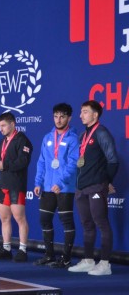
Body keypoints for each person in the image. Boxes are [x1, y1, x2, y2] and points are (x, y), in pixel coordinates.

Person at [68, 100, 119, 276]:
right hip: (81, 188)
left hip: (96, 186)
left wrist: (106, 182)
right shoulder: (83, 136)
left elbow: (113, 160)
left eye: (85, 112)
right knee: (86, 224)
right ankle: (88, 260)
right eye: (81, 112)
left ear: (95, 115)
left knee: (101, 223)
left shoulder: (102, 133)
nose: (81, 115)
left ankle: (105, 264)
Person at [33, 103, 78, 268]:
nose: (58, 120)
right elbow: (42, 162)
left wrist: (60, 182)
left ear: (69, 118)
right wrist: (38, 182)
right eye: (56, 116)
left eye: (62, 116)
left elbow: (73, 164)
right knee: (44, 220)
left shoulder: (73, 138)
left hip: (65, 187)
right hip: (47, 187)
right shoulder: (47, 137)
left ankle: (66, 258)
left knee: (66, 221)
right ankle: (49, 255)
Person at [0, 112, 33, 262]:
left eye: (3, 125)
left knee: (19, 218)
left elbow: (23, 162)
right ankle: (6, 247)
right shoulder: (3, 141)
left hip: (16, 184)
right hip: (3, 184)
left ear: (13, 124)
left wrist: (4, 165)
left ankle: (22, 249)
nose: (0, 129)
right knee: (4, 218)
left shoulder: (23, 140)